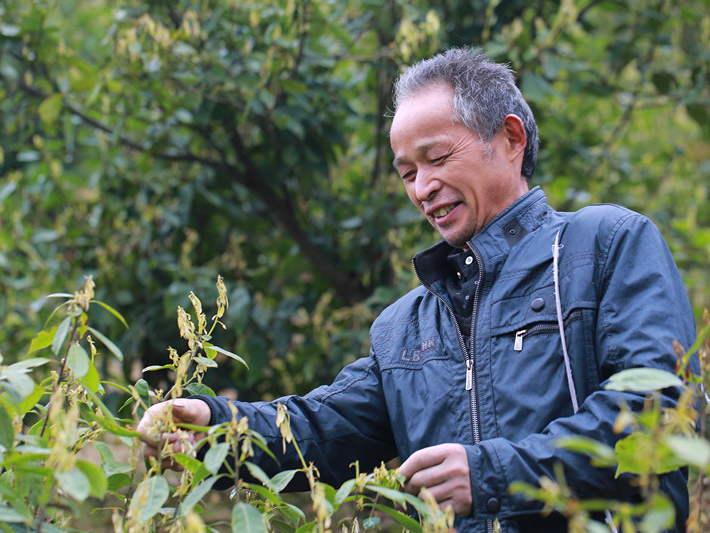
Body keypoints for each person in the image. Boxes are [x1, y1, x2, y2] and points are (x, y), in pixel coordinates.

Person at [137, 47, 696, 532]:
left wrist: (492, 472)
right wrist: (212, 430)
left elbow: (658, 413)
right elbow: (321, 427)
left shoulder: (605, 245)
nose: (423, 188)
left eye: (437, 158)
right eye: (407, 173)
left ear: (509, 138)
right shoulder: (404, 327)